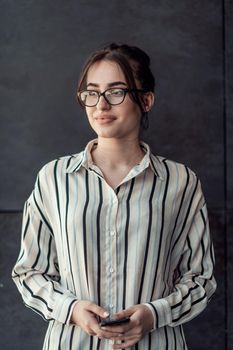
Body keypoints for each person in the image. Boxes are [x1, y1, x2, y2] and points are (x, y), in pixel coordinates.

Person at [12, 43, 216, 350]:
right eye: (91, 93)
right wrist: (71, 309)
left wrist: (154, 314)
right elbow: (29, 272)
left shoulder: (181, 182)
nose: (101, 105)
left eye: (116, 91)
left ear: (146, 100)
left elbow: (201, 279)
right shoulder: (53, 178)